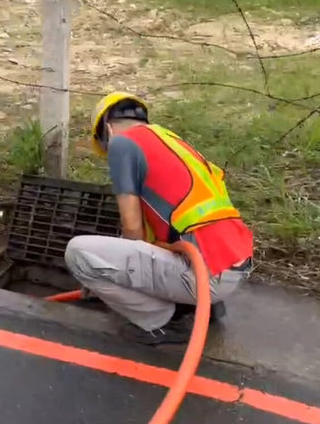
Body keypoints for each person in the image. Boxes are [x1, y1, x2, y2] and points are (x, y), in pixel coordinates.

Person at [64, 92, 254, 345]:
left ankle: (166, 320)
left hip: (205, 276)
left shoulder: (122, 144)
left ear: (107, 130)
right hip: (231, 263)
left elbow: (133, 232)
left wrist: (107, 271)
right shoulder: (170, 141)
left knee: (78, 253)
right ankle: (199, 305)